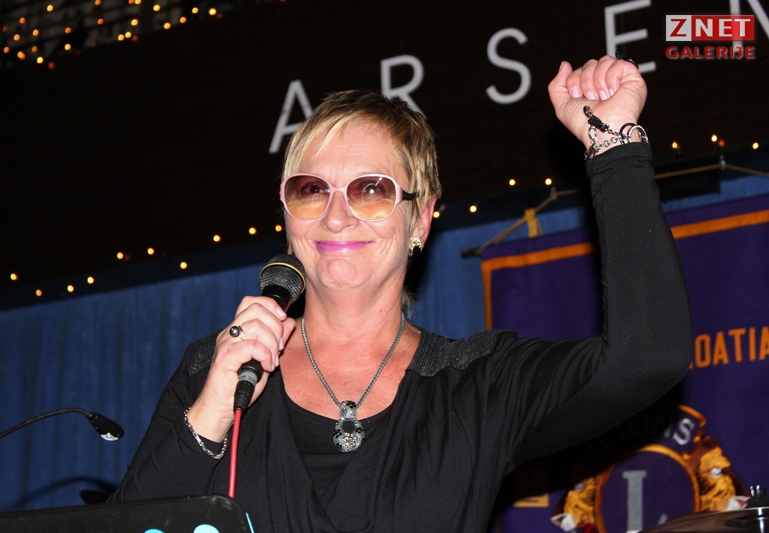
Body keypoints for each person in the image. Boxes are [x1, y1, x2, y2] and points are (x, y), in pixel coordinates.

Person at [110, 56, 693, 532]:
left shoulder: (478, 387)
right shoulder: (216, 371)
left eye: (371, 189)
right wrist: (209, 416)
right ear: (286, 212)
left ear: (422, 219)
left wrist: (614, 147)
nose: (336, 216)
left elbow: (648, 356)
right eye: (312, 189)